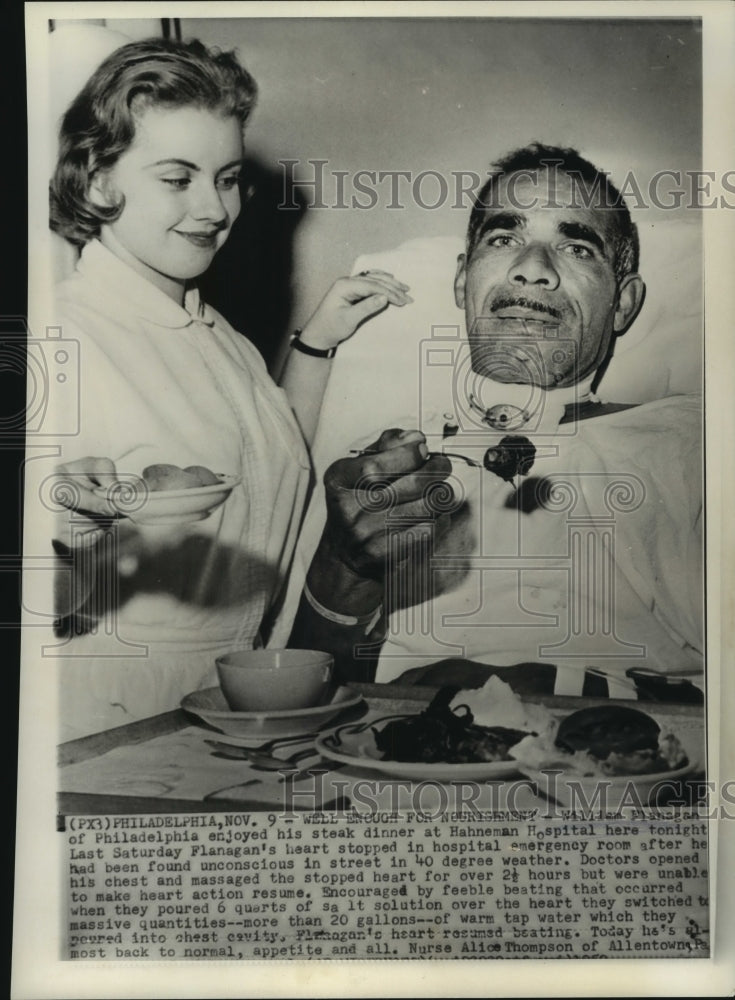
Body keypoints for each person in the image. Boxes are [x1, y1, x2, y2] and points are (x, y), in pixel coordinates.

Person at [48, 37, 417, 739]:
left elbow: (271, 470)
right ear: (98, 180)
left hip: (228, 697)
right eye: (177, 178)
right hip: (111, 716)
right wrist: (60, 538)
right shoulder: (60, 339)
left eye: (226, 178)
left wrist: (315, 344)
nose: (214, 209)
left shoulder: (216, 333)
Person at [289, 143, 703, 700]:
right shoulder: (383, 469)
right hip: (408, 762)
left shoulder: (694, 444)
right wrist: (342, 569)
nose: (532, 270)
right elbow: (304, 697)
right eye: (504, 239)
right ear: (463, 283)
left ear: (624, 304)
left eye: (578, 246)